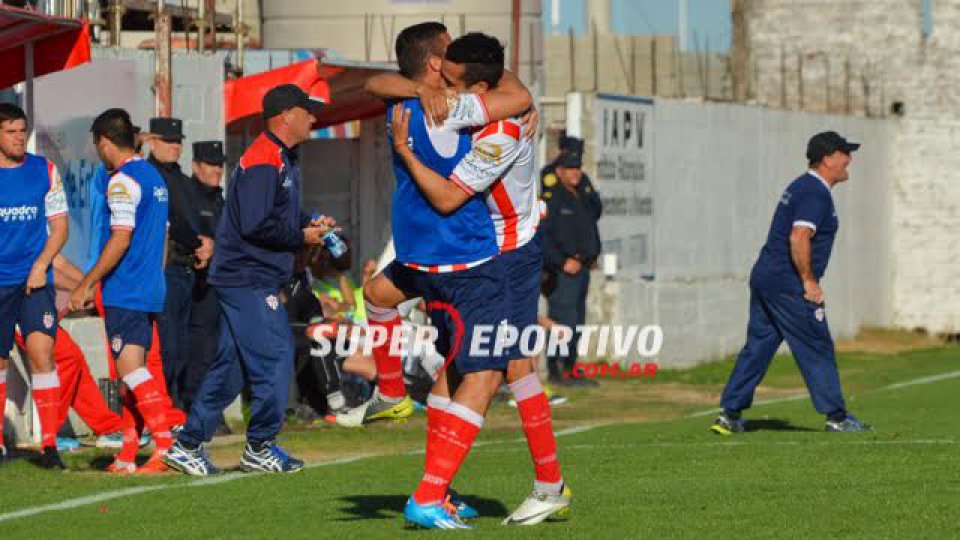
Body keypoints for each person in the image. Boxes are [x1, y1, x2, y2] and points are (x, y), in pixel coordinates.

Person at [342, 22, 532, 433]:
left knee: (376, 294)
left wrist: (416, 88)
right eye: (450, 48)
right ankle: (544, 481)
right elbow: (517, 95)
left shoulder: (400, 105)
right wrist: (517, 105)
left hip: (415, 246)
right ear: (436, 63)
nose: (457, 50)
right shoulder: (452, 107)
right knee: (489, 371)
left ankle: (391, 393)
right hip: (463, 252)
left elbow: (375, 83)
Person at [163, 84, 331, 476]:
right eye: (307, 111)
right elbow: (256, 223)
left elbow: (273, 212)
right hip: (247, 277)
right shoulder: (263, 159)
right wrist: (299, 237)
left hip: (248, 276)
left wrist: (309, 222)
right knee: (276, 354)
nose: (313, 118)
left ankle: (188, 443)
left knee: (233, 366)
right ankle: (260, 446)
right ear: (285, 115)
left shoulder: (278, 157)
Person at [711, 132, 870, 435]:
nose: (849, 159)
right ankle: (837, 417)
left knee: (759, 347)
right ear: (827, 159)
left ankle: (730, 414)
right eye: (844, 153)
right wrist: (809, 281)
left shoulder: (802, 186)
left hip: (766, 277)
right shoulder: (815, 193)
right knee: (816, 344)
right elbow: (799, 236)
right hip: (788, 283)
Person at [68, 108, 175, 474]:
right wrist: (153, 276)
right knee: (131, 370)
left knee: (130, 370)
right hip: (147, 286)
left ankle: (166, 444)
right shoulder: (154, 177)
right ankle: (129, 453)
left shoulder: (121, 181)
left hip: (125, 289)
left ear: (103, 142)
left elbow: (120, 238)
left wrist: (86, 283)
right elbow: (162, 237)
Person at [0, 102, 69, 468]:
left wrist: (41, 265)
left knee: (43, 355)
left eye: (22, 131)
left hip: (34, 281)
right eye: (11, 131)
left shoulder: (45, 170)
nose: (18, 138)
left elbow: (60, 227)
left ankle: (50, 445)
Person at [148, 118, 212, 409]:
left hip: (187, 270)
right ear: (152, 142)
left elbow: (195, 221)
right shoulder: (150, 175)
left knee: (183, 345)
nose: (175, 146)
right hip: (167, 268)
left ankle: (175, 406)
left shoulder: (184, 181)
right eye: (168, 141)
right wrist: (200, 242)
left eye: (178, 141)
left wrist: (206, 242)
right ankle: (164, 407)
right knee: (168, 345)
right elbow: (169, 222)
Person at [540, 147, 602, 387]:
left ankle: (570, 367)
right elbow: (544, 239)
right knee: (563, 321)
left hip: (582, 269)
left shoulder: (582, 196)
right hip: (561, 271)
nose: (575, 173)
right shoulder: (552, 199)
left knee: (577, 321)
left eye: (578, 169)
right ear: (559, 171)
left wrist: (590, 255)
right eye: (570, 169)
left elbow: (596, 214)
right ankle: (557, 370)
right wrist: (561, 261)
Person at [182, 140, 226, 414]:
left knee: (212, 351)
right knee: (194, 352)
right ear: (196, 166)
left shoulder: (219, 199)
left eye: (219, 165)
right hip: (192, 285)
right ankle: (191, 408)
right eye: (211, 165)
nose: (217, 171)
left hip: (215, 288)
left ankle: (209, 410)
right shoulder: (188, 195)